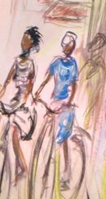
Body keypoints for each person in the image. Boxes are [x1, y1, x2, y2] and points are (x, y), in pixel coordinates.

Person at [0, 26, 43, 180]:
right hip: (13, 99)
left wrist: (24, 101)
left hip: (22, 101)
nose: (23, 42)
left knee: (15, 136)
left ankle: (22, 167)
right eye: (23, 39)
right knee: (3, 128)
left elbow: (30, 85)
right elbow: (7, 81)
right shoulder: (16, 61)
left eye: (26, 40)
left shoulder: (31, 63)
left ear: (32, 45)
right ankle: (13, 164)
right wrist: (0, 95)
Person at [34, 31, 80, 189]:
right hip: (54, 101)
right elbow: (47, 78)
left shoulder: (73, 63)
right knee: (48, 131)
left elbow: (74, 84)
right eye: (68, 46)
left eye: (72, 46)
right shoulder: (57, 62)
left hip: (66, 103)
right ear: (64, 46)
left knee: (63, 138)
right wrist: (38, 91)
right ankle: (45, 166)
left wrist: (70, 101)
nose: (70, 49)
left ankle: (65, 175)